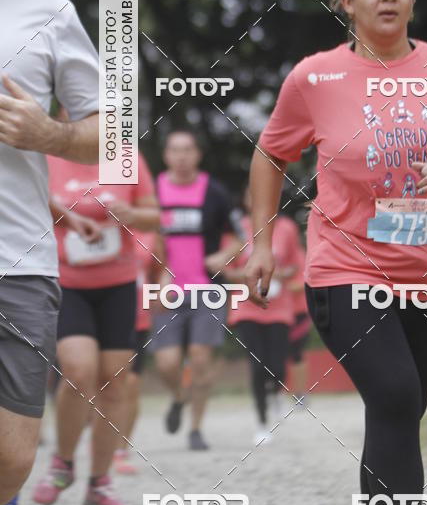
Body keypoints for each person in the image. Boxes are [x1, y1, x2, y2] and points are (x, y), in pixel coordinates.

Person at [244, 0, 427, 505]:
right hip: (345, 271)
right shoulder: (315, 78)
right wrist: (259, 240)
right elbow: (270, 153)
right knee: (395, 398)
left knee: (397, 416)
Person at [0, 0, 99, 505]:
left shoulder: (46, 8)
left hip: (18, 261)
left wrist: (49, 135)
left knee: (11, 453)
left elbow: (110, 135)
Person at [32, 148, 159, 505]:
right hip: (66, 281)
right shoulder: (46, 154)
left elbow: (154, 218)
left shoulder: (128, 157)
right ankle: (63, 463)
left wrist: (133, 215)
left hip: (118, 284)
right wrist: (65, 218)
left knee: (114, 382)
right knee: (77, 371)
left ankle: (99, 483)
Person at [152, 130, 245, 450]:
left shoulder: (215, 192)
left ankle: (195, 429)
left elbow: (240, 236)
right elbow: (142, 237)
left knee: (200, 359)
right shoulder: (153, 192)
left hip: (208, 289)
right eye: (174, 150)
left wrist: (225, 255)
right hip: (167, 289)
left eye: (187, 150)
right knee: (166, 362)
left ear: (197, 155)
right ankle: (179, 398)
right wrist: (159, 270)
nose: (181, 156)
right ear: (166, 155)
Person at [224, 185, 298, 445]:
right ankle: (261, 423)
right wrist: (248, 274)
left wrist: (277, 273)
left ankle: (275, 391)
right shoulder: (237, 229)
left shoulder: (286, 228)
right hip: (246, 306)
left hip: (279, 306)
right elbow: (227, 270)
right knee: (257, 364)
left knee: (277, 364)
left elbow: (293, 267)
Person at [113, 227, 164, 475]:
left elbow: (163, 268)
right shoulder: (99, 225)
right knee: (105, 383)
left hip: (138, 319)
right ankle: (102, 438)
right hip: (105, 316)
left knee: (131, 384)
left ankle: (121, 449)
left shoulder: (149, 235)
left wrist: (161, 291)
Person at [286, 240, 311, 406]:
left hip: (299, 312)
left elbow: (305, 282)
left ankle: (300, 393)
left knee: (297, 354)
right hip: (276, 312)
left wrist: (279, 287)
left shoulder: (299, 255)